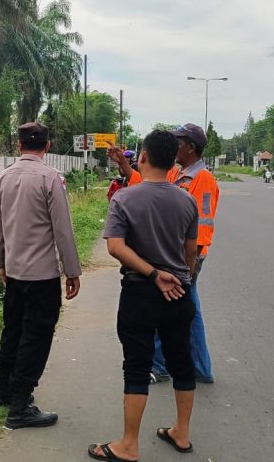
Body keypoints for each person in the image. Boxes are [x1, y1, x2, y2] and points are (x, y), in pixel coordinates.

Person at [90, 129, 198, 462]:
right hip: (179, 292)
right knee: (182, 362)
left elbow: (115, 247)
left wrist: (152, 273)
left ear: (145, 157)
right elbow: (190, 250)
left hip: (140, 291)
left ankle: (128, 445)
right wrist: (181, 278)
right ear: (171, 161)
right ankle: (181, 433)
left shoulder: (125, 198)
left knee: (136, 367)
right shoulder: (186, 199)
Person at [109, 123, 220, 384]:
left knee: (175, 308)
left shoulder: (202, 179)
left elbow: (202, 227)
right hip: (177, 255)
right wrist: (124, 165)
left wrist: (186, 268)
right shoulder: (178, 175)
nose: (174, 145)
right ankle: (199, 369)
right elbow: (146, 182)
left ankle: (165, 366)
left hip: (184, 257)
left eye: (179, 141)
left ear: (190, 148)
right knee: (185, 310)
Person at [0, 121, 82, 429]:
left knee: (13, 330)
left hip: (15, 273)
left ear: (19, 145)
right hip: (42, 276)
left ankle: (2, 391)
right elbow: (63, 230)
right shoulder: (51, 178)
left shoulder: (3, 177)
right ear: (46, 146)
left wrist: (2, 262)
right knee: (37, 336)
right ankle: (20, 406)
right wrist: (72, 271)